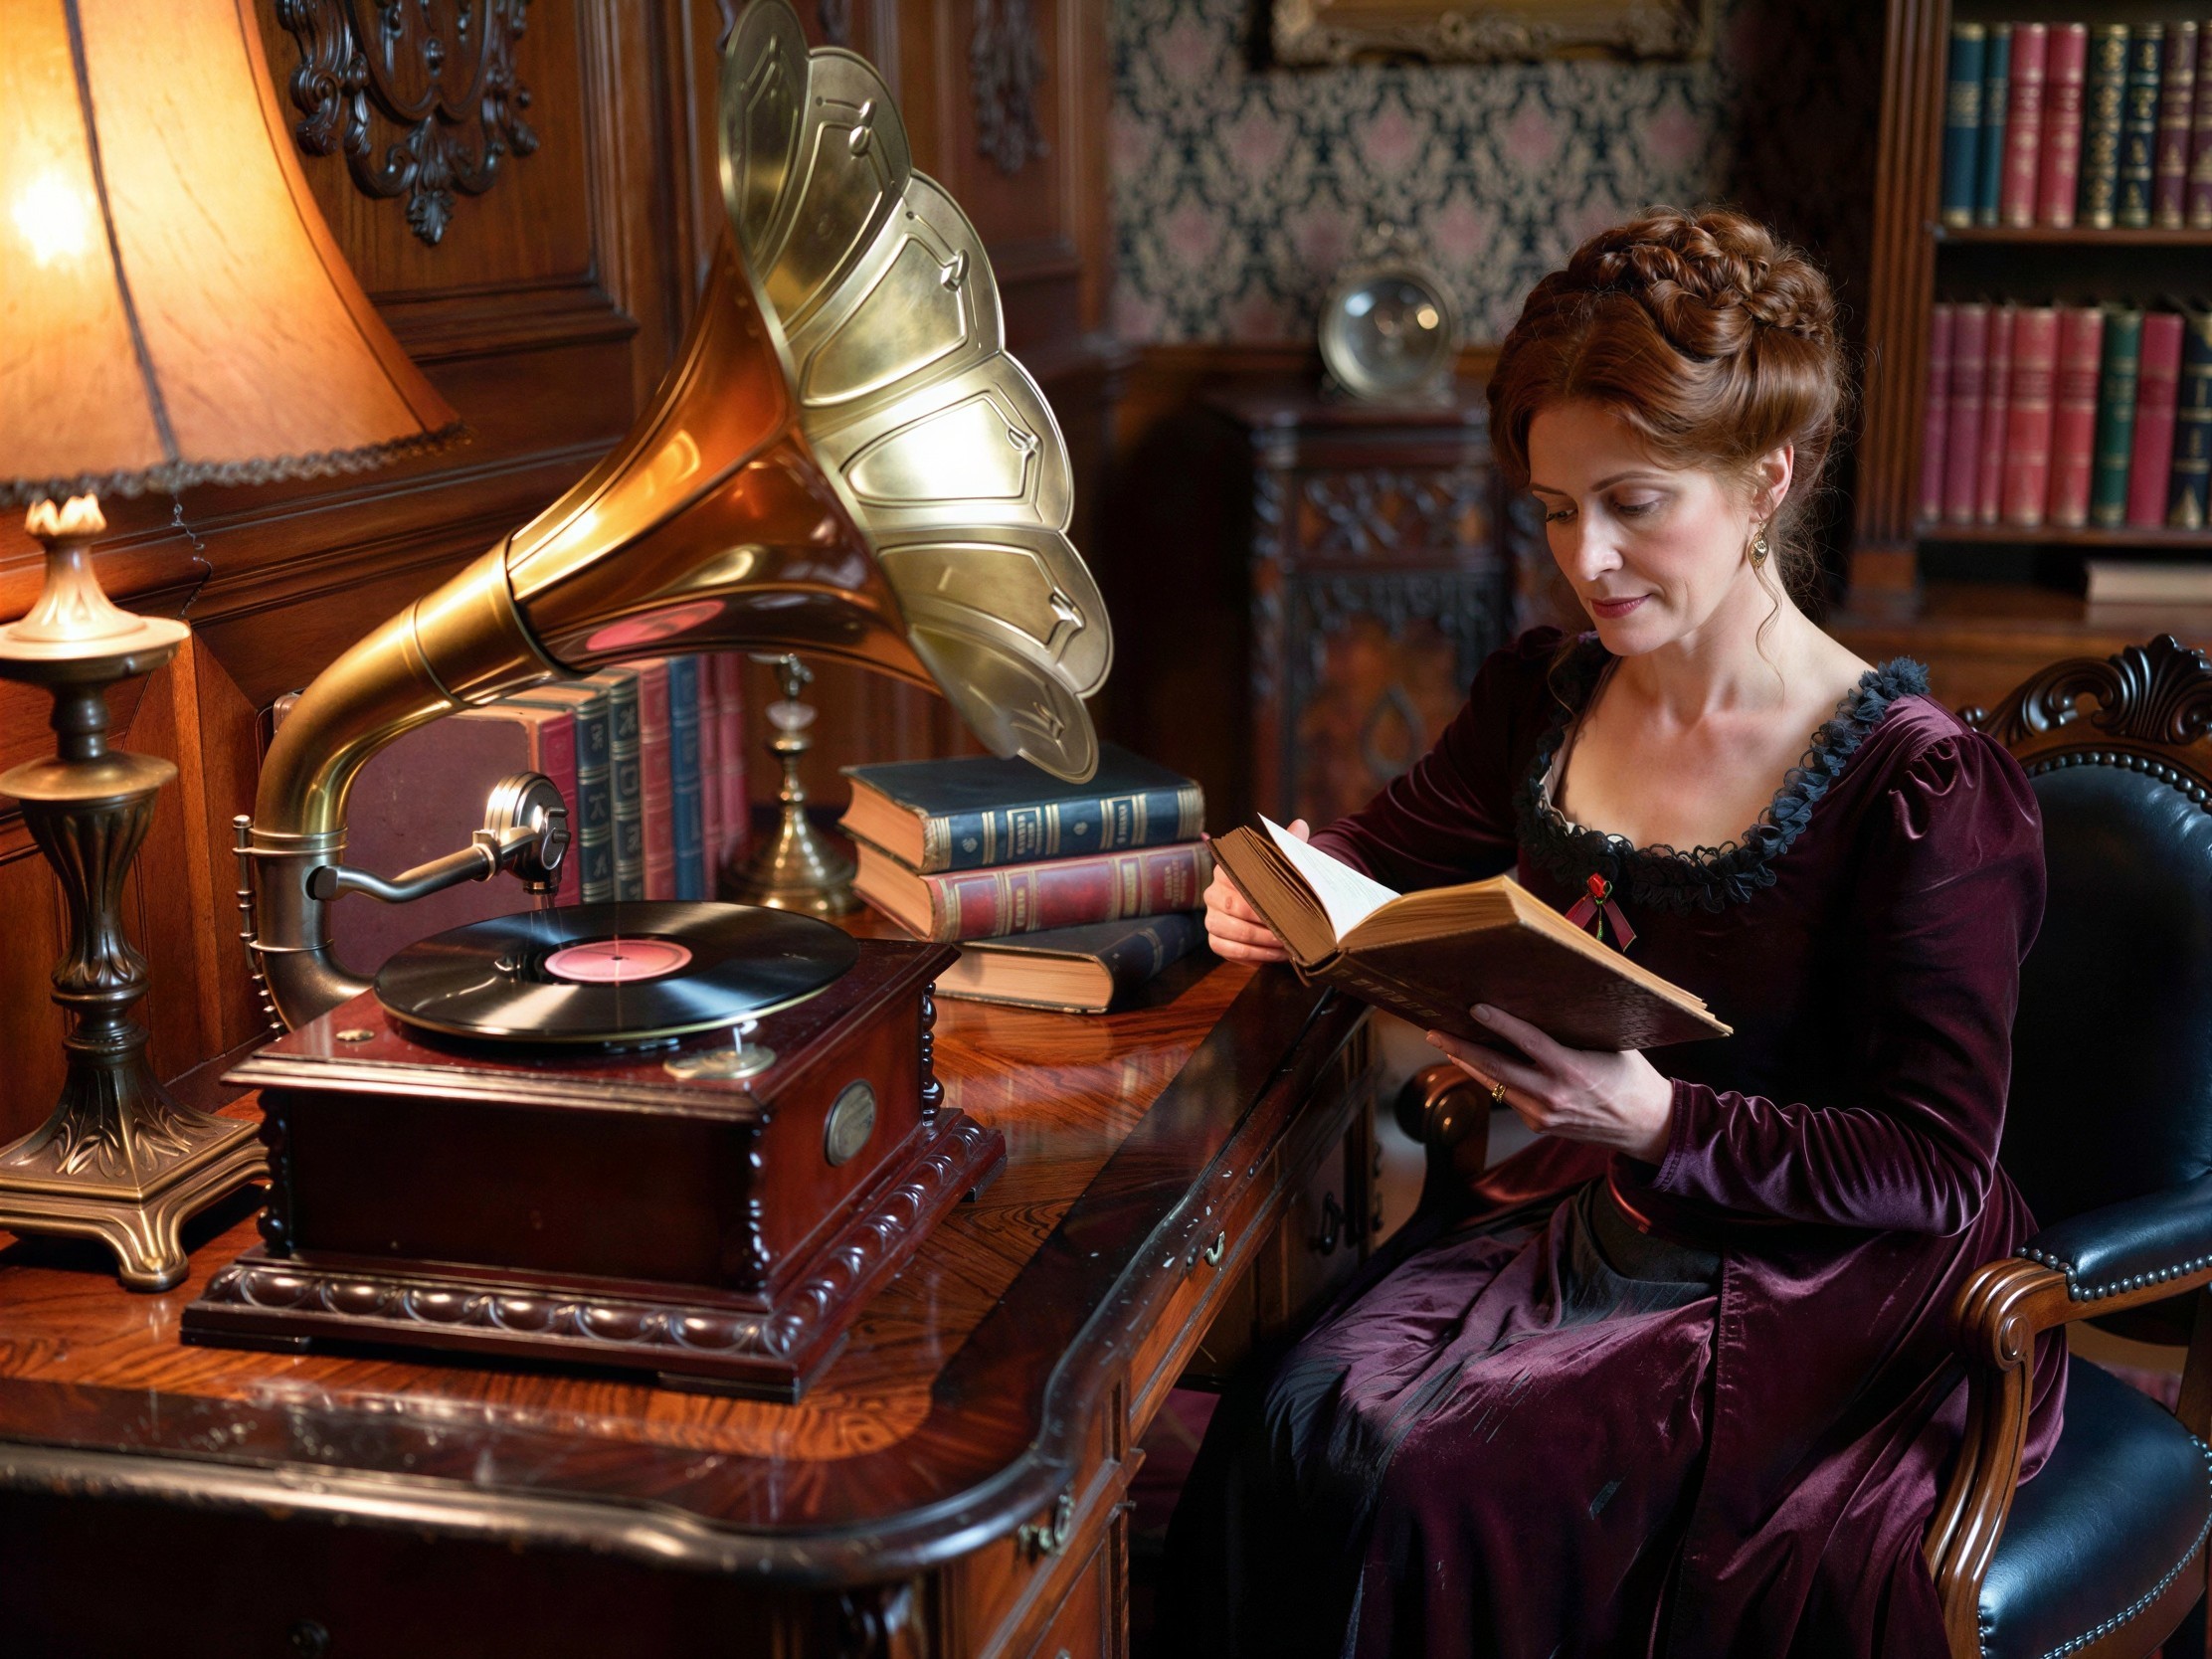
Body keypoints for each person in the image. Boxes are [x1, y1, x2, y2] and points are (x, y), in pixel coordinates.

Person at [1171, 208, 2060, 1658]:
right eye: (1550, 507)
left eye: (1635, 503)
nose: (1586, 556)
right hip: (1595, 1217)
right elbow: (1370, 857)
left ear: (1766, 477)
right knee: (1295, 1418)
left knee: (1428, 1482)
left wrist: (1658, 1119)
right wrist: (1279, 891)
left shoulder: (1921, 786)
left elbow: (1935, 1162)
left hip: (1825, 1284)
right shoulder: (1548, 696)